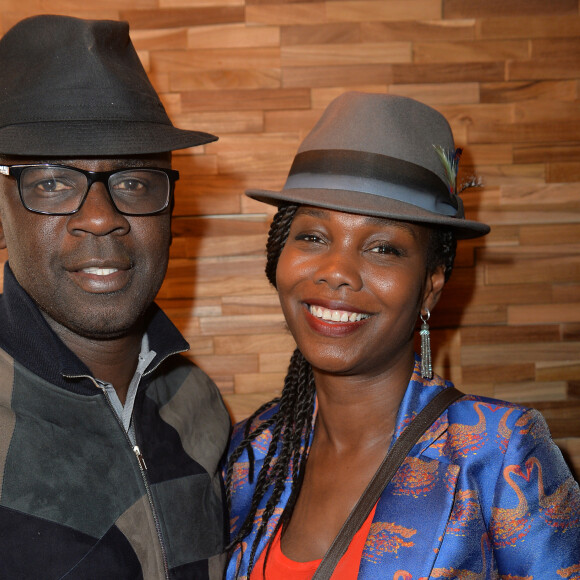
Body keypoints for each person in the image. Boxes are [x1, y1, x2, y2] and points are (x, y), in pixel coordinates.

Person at [224, 92, 580, 579]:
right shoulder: (252, 451)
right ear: (277, 258)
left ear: (430, 287)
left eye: (383, 248)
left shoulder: (499, 454)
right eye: (312, 237)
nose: (337, 272)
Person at [0, 15, 230, 579]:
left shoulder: (198, 405)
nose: (101, 219)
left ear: (172, 213)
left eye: (133, 181)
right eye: (51, 182)